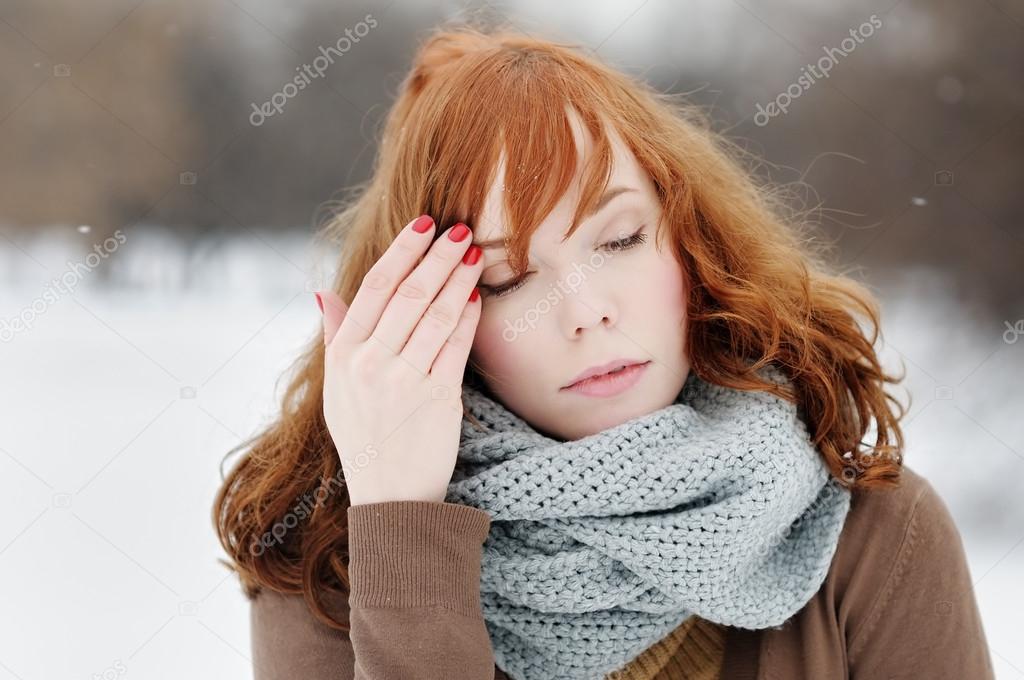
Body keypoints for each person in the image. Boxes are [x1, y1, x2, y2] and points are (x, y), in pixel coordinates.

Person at [213, 23, 994, 679]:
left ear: (689, 241)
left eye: (619, 238)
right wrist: (402, 530)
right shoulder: (322, 567)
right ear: (434, 317)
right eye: (510, 277)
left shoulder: (878, 539)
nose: (584, 312)